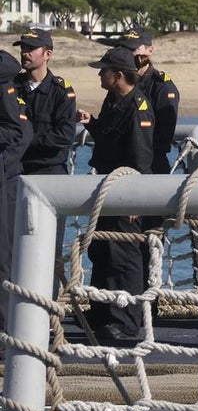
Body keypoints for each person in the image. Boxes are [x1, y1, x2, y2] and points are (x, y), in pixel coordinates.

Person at [75, 47, 154, 343]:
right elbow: (109, 137)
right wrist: (92, 123)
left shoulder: (138, 107)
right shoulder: (114, 101)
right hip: (107, 187)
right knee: (102, 251)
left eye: (104, 70)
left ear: (118, 75)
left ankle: (127, 320)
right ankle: (102, 311)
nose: (99, 73)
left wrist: (135, 199)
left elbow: (141, 157)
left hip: (126, 192)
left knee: (125, 256)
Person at [13, 29, 77, 296]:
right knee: (12, 244)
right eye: (23, 47)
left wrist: (25, 141)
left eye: (31, 48)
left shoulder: (62, 91)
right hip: (17, 173)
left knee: (49, 246)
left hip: (50, 176)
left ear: (47, 54)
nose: (25, 53)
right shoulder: (11, 86)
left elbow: (63, 137)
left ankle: (47, 309)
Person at [116, 27, 180, 290]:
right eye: (127, 48)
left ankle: (149, 301)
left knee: (150, 239)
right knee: (121, 241)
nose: (131, 53)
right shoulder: (121, 81)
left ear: (149, 51)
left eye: (136, 48)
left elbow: (162, 136)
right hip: (124, 168)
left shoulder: (162, 85)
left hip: (152, 167)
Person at [0, 48, 33, 333]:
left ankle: (4, 329)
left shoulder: (3, 80)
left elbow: (15, 131)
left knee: (3, 257)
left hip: (6, 178)